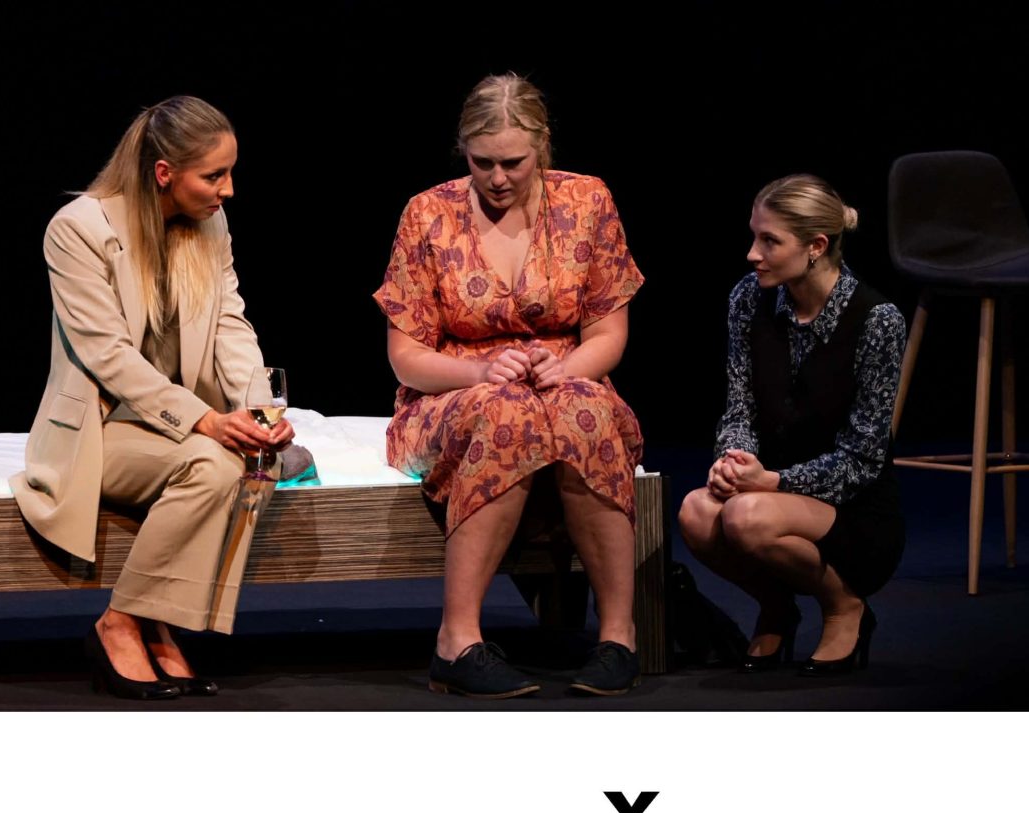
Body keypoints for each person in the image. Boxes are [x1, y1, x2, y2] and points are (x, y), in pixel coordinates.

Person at [11, 95, 294, 699]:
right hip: (100, 428)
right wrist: (205, 421)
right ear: (165, 173)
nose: (228, 190)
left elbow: (230, 324)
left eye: (229, 172)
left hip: (174, 424)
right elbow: (107, 354)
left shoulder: (210, 225)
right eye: (213, 175)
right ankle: (122, 623)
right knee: (213, 462)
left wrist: (258, 409)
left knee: (254, 460)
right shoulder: (78, 229)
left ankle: (148, 620)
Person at [373, 73, 645, 698]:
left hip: (563, 382)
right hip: (450, 394)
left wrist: (567, 368)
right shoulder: (428, 214)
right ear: (463, 151)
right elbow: (407, 358)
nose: (497, 178)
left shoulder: (587, 202)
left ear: (542, 148)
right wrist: (477, 373)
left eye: (513, 163)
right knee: (506, 411)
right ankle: (457, 641)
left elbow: (608, 334)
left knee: (588, 410)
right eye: (482, 162)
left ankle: (618, 637)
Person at [678, 174, 906, 676]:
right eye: (754, 237)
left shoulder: (877, 320)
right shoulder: (748, 298)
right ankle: (777, 607)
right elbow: (738, 406)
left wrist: (774, 482)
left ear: (815, 246)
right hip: (765, 490)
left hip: (853, 511)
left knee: (746, 517)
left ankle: (845, 606)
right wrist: (734, 459)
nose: (752, 254)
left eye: (770, 241)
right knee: (696, 511)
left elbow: (863, 459)